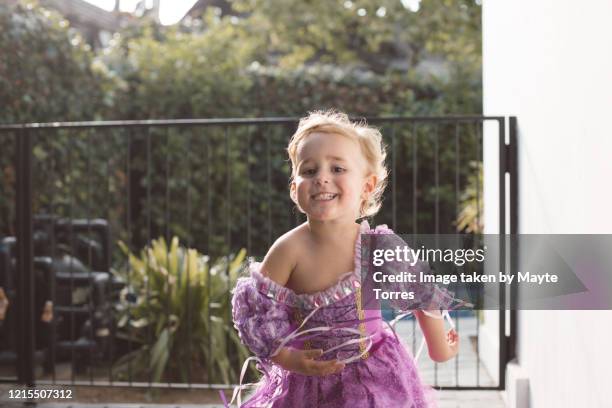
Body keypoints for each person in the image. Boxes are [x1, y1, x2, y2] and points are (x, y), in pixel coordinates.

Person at [229, 111, 461, 407]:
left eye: (337, 168)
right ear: (293, 189)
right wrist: (288, 357)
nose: (322, 177)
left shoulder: (377, 245)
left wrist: (439, 348)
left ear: (366, 186)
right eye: (309, 171)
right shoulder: (288, 249)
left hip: (374, 376)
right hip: (307, 383)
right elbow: (256, 311)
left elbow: (420, 294)